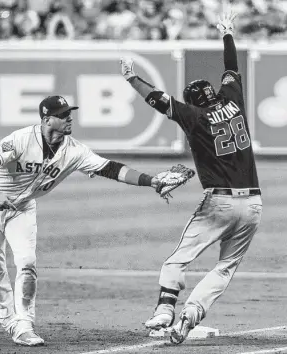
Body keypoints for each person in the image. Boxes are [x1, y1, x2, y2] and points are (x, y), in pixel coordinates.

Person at [0, 95, 177, 346]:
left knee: (27, 262)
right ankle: (7, 320)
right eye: (63, 114)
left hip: (23, 208)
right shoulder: (21, 139)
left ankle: (23, 325)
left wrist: (150, 180)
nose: (69, 118)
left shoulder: (74, 150)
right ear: (47, 119)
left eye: (69, 113)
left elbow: (110, 168)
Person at [120, 9, 262, 344]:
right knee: (225, 268)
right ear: (214, 92)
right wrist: (227, 32)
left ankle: (165, 310)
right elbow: (231, 67)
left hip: (220, 203)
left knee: (178, 258)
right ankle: (191, 316)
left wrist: (131, 78)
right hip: (254, 203)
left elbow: (158, 100)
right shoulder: (234, 99)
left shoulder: (194, 116)